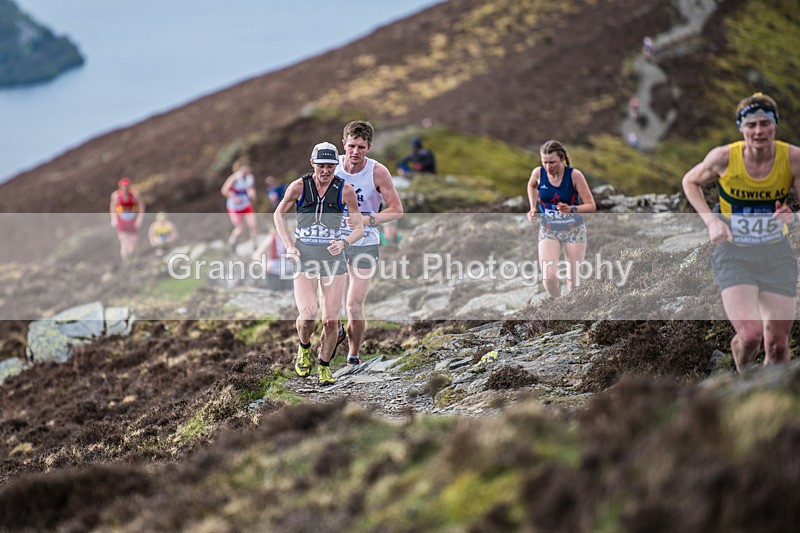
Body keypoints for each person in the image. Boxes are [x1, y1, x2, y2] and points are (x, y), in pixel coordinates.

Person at [682, 92, 800, 373]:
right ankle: (743, 380)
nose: (758, 131)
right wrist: (712, 222)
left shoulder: (793, 158)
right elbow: (690, 181)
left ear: (774, 126)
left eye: (764, 124)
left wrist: (792, 217)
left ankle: (770, 402)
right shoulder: (724, 157)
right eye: (751, 125)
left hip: (776, 256)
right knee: (749, 337)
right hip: (734, 256)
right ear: (741, 128)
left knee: (779, 345)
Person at [273, 142, 363, 385]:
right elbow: (278, 214)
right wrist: (290, 246)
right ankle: (303, 349)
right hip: (305, 257)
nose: (326, 171)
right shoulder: (299, 186)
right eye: (321, 166)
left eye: (331, 167)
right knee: (309, 314)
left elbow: (359, 227)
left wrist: (344, 242)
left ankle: (324, 366)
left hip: (334, 259)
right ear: (312, 164)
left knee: (331, 320)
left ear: (336, 166)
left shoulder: (345, 191)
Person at [337, 120, 404, 365]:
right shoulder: (331, 168)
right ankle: (335, 330)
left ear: (369, 147)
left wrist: (367, 220)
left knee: (353, 305)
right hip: (334, 241)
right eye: (352, 146)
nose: (355, 152)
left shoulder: (378, 172)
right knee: (330, 306)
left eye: (361, 147)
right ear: (343, 144)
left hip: (365, 242)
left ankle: (353, 355)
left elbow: (397, 209)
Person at [526, 140, 596, 297]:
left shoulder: (575, 176)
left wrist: (571, 209)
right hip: (548, 230)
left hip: (574, 230)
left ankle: (572, 311)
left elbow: (591, 206)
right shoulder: (538, 173)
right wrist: (533, 206)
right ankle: (559, 306)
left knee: (574, 282)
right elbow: (531, 185)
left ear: (562, 159)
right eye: (545, 162)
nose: (548, 167)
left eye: (552, 162)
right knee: (549, 278)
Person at [221, 159, 258, 252]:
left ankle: (255, 245)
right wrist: (233, 197)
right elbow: (224, 191)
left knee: (253, 225)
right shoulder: (235, 178)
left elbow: (251, 190)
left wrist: (252, 195)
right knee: (240, 228)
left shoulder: (250, 178)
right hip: (234, 206)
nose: (245, 170)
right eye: (243, 168)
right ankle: (231, 242)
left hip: (245, 204)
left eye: (246, 168)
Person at [109, 177, 145, 265]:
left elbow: (141, 206)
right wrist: (113, 219)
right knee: (124, 241)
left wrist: (139, 219)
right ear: (120, 187)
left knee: (133, 242)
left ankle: (132, 257)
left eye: (127, 186)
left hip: (132, 221)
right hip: (121, 222)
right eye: (123, 186)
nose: (125, 188)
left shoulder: (135, 195)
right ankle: (126, 263)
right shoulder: (116, 195)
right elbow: (112, 208)